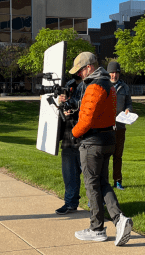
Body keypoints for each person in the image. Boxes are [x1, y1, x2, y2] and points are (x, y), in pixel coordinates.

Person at [69, 52, 133, 246]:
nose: (79, 74)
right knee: (103, 182)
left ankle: (96, 229)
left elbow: (86, 119)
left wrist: (74, 133)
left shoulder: (94, 86)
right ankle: (119, 220)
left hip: (92, 143)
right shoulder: (110, 85)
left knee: (91, 184)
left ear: (89, 67)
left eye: (80, 70)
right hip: (108, 139)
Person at [55, 75, 85, 215]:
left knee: (90, 176)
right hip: (68, 135)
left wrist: (73, 106)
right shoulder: (68, 85)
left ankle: (98, 204)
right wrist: (61, 102)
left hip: (84, 137)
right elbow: (61, 109)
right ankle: (70, 203)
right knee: (69, 175)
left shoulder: (89, 85)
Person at [107, 61, 133, 190]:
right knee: (105, 156)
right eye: (112, 73)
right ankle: (104, 182)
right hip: (106, 128)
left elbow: (129, 103)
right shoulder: (104, 85)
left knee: (118, 155)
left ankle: (118, 181)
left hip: (120, 127)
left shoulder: (125, 87)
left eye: (116, 73)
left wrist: (128, 109)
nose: (114, 75)